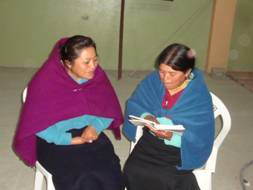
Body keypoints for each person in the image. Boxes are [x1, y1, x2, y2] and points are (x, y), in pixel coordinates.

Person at [13, 35, 124, 190]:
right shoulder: (45, 83)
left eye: (95, 59)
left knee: (110, 171)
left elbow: (107, 108)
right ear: (68, 63)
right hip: (54, 140)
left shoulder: (97, 77)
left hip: (89, 133)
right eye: (86, 62)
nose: (93, 66)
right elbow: (37, 124)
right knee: (81, 177)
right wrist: (70, 140)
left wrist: (95, 126)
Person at [123, 43, 215, 190]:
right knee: (132, 170)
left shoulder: (198, 94)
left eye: (172, 74)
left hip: (181, 149)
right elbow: (135, 104)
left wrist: (172, 136)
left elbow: (200, 135)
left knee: (166, 179)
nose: (165, 78)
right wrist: (147, 117)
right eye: (161, 71)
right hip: (151, 141)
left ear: (187, 72)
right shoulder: (153, 80)